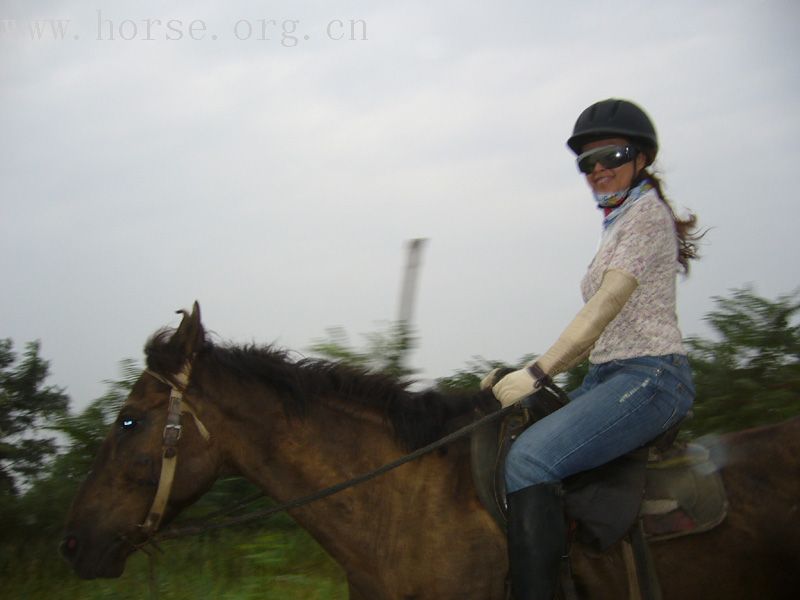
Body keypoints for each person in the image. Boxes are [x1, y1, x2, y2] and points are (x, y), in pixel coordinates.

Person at [484, 98, 701, 600]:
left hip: (649, 377)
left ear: (641, 158)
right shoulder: (617, 222)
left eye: (614, 155)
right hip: (607, 376)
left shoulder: (645, 216)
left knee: (529, 462)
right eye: (588, 162)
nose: (599, 169)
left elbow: (605, 306)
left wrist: (537, 373)